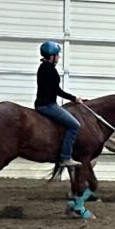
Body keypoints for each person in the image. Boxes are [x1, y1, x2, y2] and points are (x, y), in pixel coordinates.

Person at [35, 38, 84, 178]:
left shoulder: (45, 67)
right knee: (74, 125)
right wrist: (74, 98)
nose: (59, 57)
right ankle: (65, 156)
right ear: (52, 56)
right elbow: (57, 90)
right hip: (47, 105)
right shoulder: (49, 70)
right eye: (57, 55)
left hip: (47, 103)